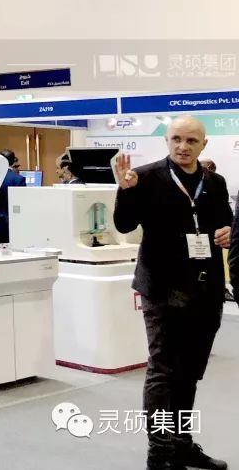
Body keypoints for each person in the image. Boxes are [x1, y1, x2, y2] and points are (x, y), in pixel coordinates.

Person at [114, 116, 233, 470]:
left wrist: (229, 231)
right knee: (164, 370)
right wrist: (125, 190)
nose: (183, 146)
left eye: (191, 141)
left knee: (190, 371)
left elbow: (225, 221)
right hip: (163, 289)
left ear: (203, 144)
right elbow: (124, 224)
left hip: (206, 289)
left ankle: (181, 444)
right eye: (176, 139)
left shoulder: (215, 182)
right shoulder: (145, 178)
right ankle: (160, 452)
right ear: (166, 140)